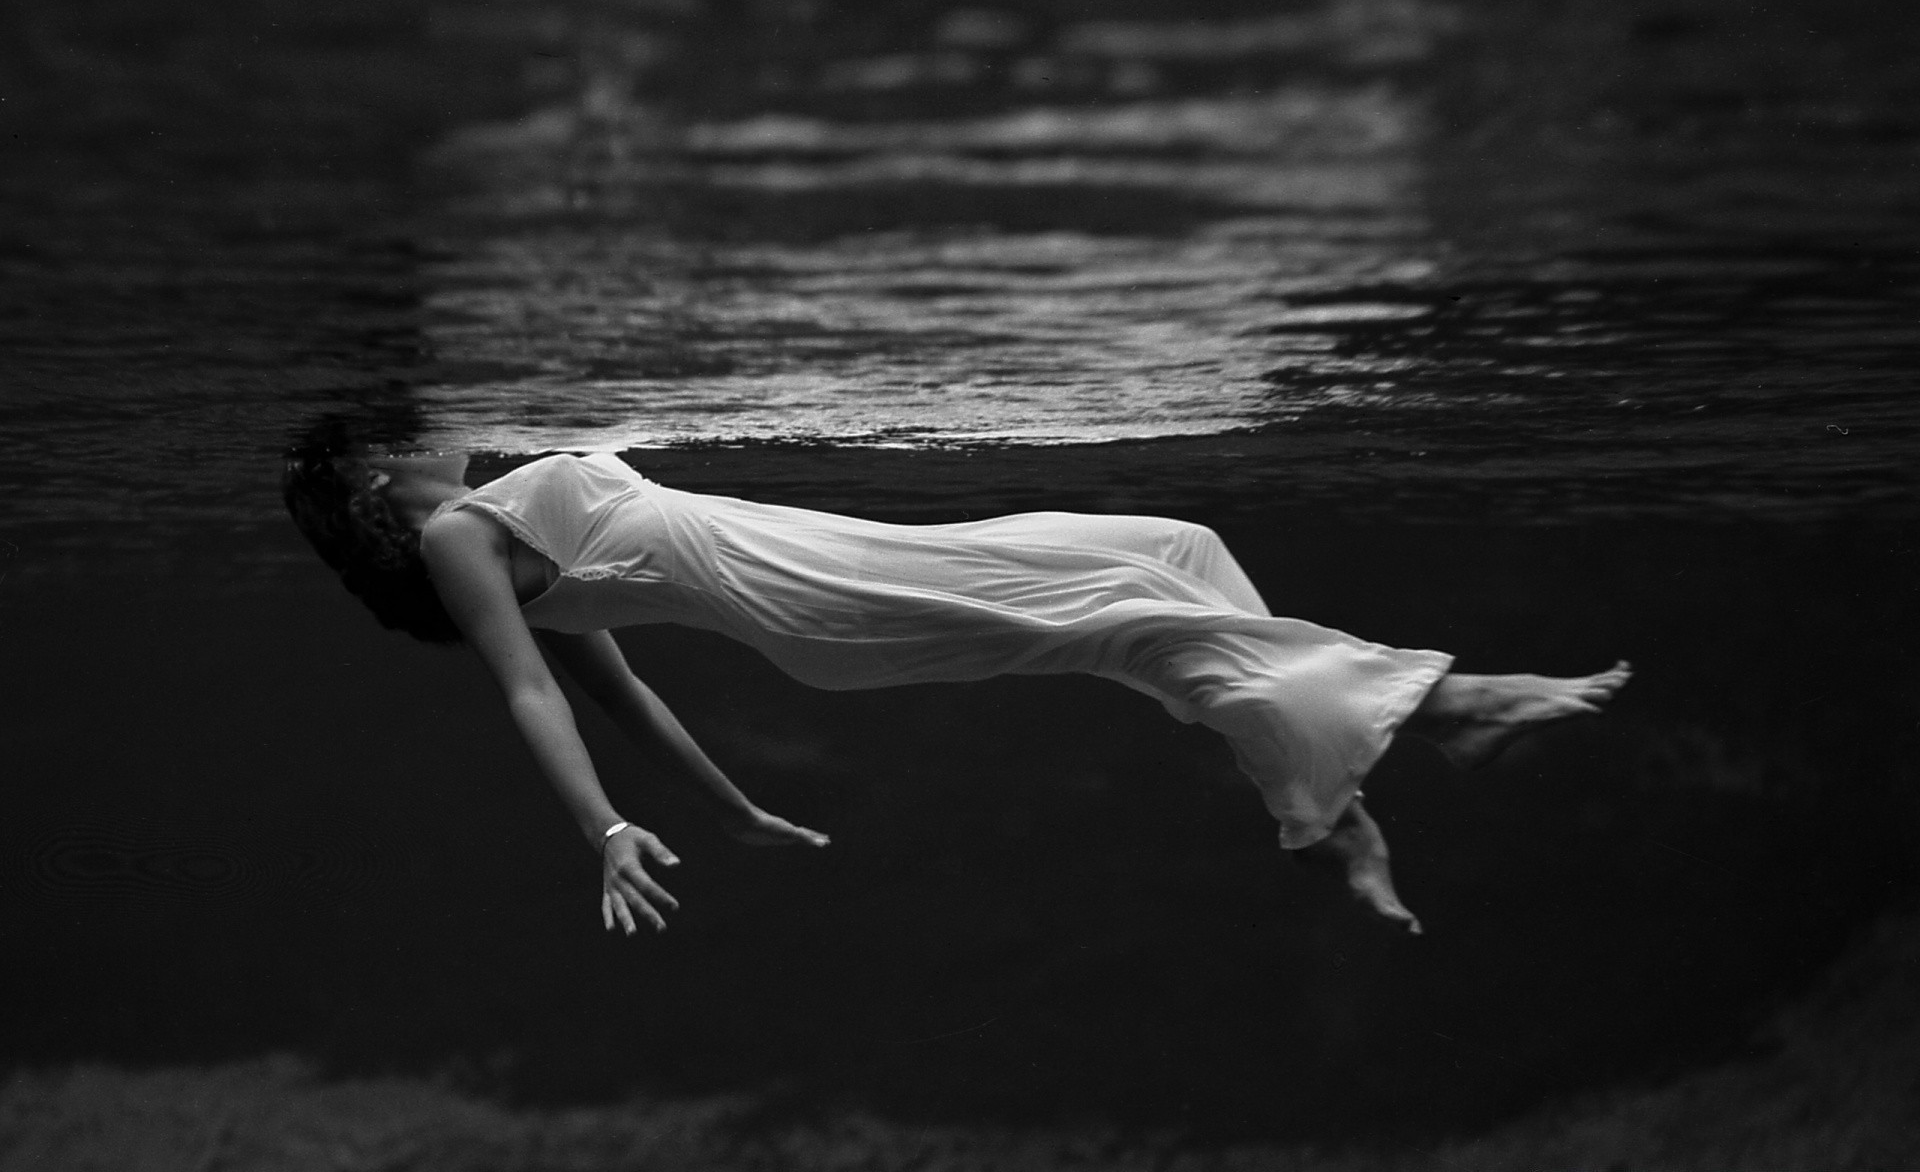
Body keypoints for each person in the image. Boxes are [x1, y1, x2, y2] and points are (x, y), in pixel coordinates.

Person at [284, 446, 1631, 938]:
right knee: (1130, 621)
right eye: (390, 442)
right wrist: (602, 830)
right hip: (816, 601)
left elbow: (635, 701)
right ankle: (1448, 709)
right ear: (375, 494)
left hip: (830, 570)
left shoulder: (483, 496)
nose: (418, 434)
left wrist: (739, 808)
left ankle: (1324, 794)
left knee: (1164, 557)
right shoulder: (463, 538)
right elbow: (544, 698)